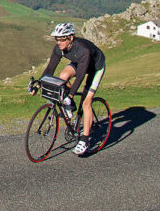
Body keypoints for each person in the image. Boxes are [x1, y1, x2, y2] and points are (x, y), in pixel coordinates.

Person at [32, 22, 106, 156]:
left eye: (62, 39)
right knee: (63, 76)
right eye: (57, 39)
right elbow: (50, 69)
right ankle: (70, 108)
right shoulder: (58, 48)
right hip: (80, 63)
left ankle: (84, 140)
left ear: (70, 38)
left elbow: (80, 77)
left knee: (86, 102)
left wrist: (70, 96)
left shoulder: (83, 50)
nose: (59, 42)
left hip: (95, 67)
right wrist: (38, 85)